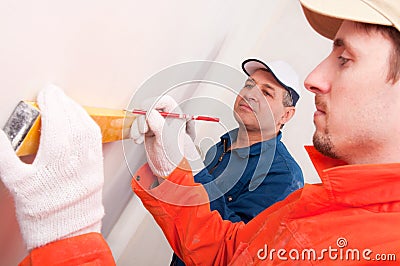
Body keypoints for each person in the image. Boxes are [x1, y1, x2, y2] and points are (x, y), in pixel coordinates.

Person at [0, 0, 399, 264]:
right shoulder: (318, 200)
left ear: (285, 116)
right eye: (249, 85)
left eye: (345, 59)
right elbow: (229, 252)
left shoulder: (289, 182)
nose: (316, 78)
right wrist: (173, 171)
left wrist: (67, 235)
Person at [161, 59, 304, 265]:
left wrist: (194, 167)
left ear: (286, 115)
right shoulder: (221, 147)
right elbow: (190, 212)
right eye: (249, 84)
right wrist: (175, 156)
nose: (250, 94)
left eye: (266, 92)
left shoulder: (284, 177)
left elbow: (237, 250)